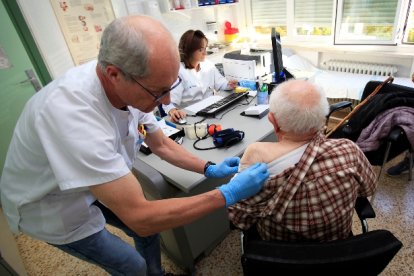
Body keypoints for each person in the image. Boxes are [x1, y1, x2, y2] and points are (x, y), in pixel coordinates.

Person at [0, 15, 269, 276]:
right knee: (131, 266)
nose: (166, 102)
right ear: (114, 74)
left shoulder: (131, 83)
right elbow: (140, 215)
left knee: (149, 234)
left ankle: (156, 272)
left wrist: (208, 168)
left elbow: (161, 144)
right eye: (158, 92)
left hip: (91, 181)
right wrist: (226, 194)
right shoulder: (69, 112)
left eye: (169, 87)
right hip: (52, 206)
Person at [228, 79, 377, 242]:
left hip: (277, 253)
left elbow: (239, 218)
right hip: (338, 248)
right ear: (323, 118)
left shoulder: (255, 155)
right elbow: (368, 189)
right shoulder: (349, 150)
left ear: (273, 121)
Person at [162, 29, 238, 123]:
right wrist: (173, 111)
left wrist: (230, 84)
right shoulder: (179, 72)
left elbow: (221, 83)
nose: (205, 53)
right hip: (191, 117)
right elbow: (169, 104)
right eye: (201, 50)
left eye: (205, 48)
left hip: (212, 111)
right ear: (189, 50)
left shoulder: (208, 65)